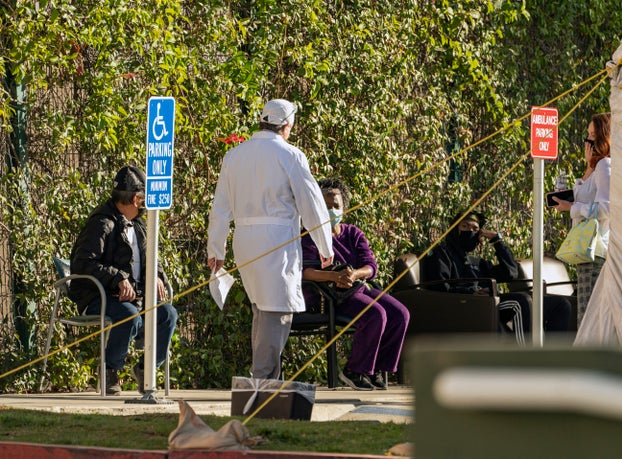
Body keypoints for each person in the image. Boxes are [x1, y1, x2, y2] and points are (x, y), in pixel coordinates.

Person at [207, 98, 334, 381]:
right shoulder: (290, 155)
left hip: (244, 241)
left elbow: (220, 208)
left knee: (262, 310)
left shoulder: (234, 156)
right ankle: (264, 381)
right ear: (286, 125)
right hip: (276, 242)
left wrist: (216, 249)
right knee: (277, 312)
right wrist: (325, 245)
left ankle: (266, 378)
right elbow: (311, 203)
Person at [70, 165, 178, 395]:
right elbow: (84, 262)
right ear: (136, 199)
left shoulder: (139, 225)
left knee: (168, 315)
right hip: (100, 295)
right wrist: (118, 278)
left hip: (135, 297)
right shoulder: (102, 223)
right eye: (143, 198)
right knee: (129, 315)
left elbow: (152, 257)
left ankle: (145, 368)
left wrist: (158, 275)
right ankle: (110, 370)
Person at [301, 177, 409, 390]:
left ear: (344, 208)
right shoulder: (309, 235)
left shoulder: (352, 233)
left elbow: (370, 266)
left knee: (400, 314)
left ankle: (375, 368)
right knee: (375, 314)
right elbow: (304, 272)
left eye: (336, 206)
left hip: (356, 286)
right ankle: (354, 370)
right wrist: (334, 277)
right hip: (328, 294)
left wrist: (355, 273)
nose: (332, 210)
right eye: (326, 206)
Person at [423, 210, 571, 335]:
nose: (470, 231)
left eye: (475, 229)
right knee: (520, 302)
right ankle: (525, 360)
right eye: (465, 226)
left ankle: (553, 358)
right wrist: (471, 292)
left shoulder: (478, 263)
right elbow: (440, 288)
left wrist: (497, 241)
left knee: (560, 304)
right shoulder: (442, 254)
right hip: (467, 305)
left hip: (491, 302)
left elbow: (510, 273)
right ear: (455, 229)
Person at [552, 113, 611, 326]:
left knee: (589, 316)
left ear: (605, 138)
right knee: (585, 313)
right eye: (588, 135)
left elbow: (607, 208)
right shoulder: (595, 166)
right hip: (585, 252)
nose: (588, 141)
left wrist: (573, 207)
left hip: (596, 250)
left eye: (593, 136)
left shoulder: (605, 165)